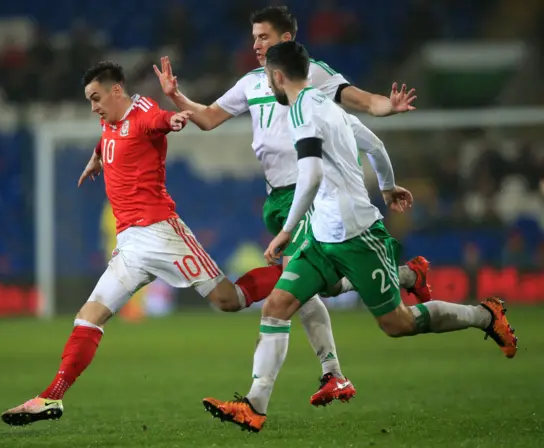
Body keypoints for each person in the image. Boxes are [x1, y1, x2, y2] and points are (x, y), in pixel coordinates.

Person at [201, 41, 519, 433]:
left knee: (396, 323)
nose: (269, 85)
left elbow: (312, 174)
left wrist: (286, 230)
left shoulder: (302, 113)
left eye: (270, 78)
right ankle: (254, 405)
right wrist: (387, 185)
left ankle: (484, 315)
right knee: (277, 306)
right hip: (321, 234)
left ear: (278, 77)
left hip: (356, 235)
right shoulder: (326, 104)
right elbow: (375, 144)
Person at [155, 5, 429, 406]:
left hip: (311, 193)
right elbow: (210, 118)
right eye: (252, 38)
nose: (256, 45)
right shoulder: (251, 82)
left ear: (286, 39)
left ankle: (323, 376)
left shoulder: (311, 73)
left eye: (263, 37)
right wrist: (178, 97)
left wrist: (385, 106)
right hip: (277, 198)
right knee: (325, 285)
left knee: (290, 289)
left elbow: (359, 100)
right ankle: (402, 276)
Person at [0, 61, 285, 426]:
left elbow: (159, 120)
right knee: (90, 315)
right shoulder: (109, 122)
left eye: (96, 98)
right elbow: (108, 135)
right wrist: (96, 159)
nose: (93, 107)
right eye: (89, 100)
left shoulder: (143, 111)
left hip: (162, 233)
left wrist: (175, 121)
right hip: (130, 244)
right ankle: (50, 398)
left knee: (229, 301)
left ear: (116, 90)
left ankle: (297, 273)